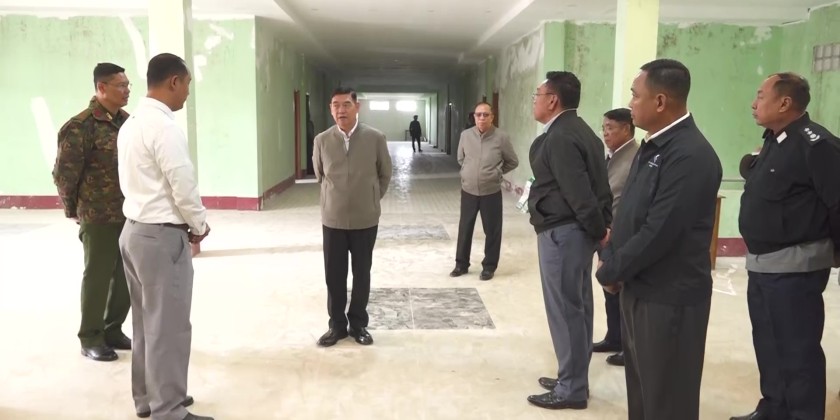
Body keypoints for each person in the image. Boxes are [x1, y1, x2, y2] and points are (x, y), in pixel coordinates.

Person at [595, 59, 722, 420]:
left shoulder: (691, 155)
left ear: (661, 101)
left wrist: (611, 269)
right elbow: (629, 213)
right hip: (640, 287)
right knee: (643, 393)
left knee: (667, 400)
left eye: (636, 95)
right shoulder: (654, 146)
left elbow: (659, 231)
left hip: (669, 298)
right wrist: (614, 259)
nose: (630, 103)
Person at [731, 72, 840, 420]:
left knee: (798, 352)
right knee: (768, 345)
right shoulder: (775, 140)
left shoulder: (817, 145)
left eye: (761, 96)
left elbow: (837, 202)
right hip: (762, 265)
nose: (754, 103)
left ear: (785, 103)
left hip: (796, 268)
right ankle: (774, 408)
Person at [117, 53, 212, 420]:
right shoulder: (164, 127)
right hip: (161, 237)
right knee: (169, 327)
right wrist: (199, 224)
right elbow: (182, 184)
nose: (187, 92)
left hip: (134, 232)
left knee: (146, 324)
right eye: (187, 84)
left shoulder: (131, 123)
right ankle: (169, 409)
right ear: (174, 81)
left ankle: (149, 400)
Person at [526, 71, 612, 410]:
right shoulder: (581, 130)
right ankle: (574, 376)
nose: (534, 101)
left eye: (537, 95)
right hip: (575, 233)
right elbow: (599, 188)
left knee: (565, 310)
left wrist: (599, 230)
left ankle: (571, 388)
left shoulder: (561, 136)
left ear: (552, 100)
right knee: (578, 307)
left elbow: (580, 194)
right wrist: (600, 227)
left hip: (564, 234)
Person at [52, 62, 132, 362]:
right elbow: (64, 174)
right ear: (101, 88)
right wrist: (72, 210)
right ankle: (91, 337)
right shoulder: (80, 126)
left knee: (125, 275)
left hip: (129, 212)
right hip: (97, 215)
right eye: (121, 85)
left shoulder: (128, 123)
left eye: (128, 85)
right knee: (98, 276)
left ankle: (112, 329)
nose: (127, 91)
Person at [313, 86, 393, 347]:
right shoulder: (322, 140)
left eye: (346, 104)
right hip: (333, 219)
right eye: (335, 105)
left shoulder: (375, 138)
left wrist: (371, 197)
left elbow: (385, 173)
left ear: (357, 107)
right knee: (334, 275)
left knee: (362, 273)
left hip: (365, 219)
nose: (341, 110)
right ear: (330, 109)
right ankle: (336, 326)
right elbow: (320, 174)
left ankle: (358, 324)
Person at [449, 102, 518, 281]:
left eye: (485, 115)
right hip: (468, 191)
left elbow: (512, 161)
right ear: (474, 117)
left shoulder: (501, 137)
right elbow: (460, 159)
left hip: (491, 192)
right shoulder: (466, 135)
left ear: (492, 117)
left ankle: (489, 266)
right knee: (465, 228)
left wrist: (496, 173)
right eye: (478, 114)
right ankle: (461, 264)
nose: (481, 118)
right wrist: (468, 172)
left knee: (492, 230)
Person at [592, 107, 639, 367]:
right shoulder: (611, 156)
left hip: (622, 234)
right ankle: (614, 337)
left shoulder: (635, 157)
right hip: (606, 232)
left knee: (622, 289)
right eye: (604, 128)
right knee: (608, 285)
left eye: (611, 128)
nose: (605, 133)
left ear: (626, 129)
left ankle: (629, 346)